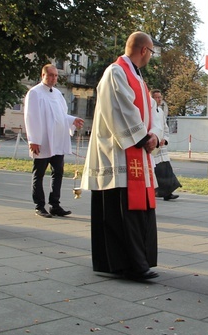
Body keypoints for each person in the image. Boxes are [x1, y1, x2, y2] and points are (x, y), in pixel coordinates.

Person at [81, 32, 161, 281]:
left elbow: (153, 112)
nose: (151, 57)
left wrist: (155, 136)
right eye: (152, 52)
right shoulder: (116, 72)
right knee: (121, 210)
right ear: (145, 50)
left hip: (137, 150)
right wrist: (141, 138)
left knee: (137, 211)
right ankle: (127, 264)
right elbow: (121, 108)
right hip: (118, 154)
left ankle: (136, 261)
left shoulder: (138, 78)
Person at [24, 64, 84, 218]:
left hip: (57, 141)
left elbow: (61, 115)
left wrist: (73, 120)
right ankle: (39, 205)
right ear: (43, 75)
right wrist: (34, 140)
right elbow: (31, 117)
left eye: (56, 76)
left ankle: (54, 204)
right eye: (50, 75)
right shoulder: (35, 93)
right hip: (42, 141)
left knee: (58, 172)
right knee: (39, 173)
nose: (53, 78)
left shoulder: (57, 93)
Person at [150, 89, 181, 201]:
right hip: (154, 146)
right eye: (156, 97)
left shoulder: (161, 112)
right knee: (158, 171)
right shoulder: (149, 111)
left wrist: (165, 139)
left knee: (167, 169)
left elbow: (165, 128)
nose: (159, 100)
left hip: (162, 146)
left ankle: (168, 192)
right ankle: (157, 192)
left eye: (160, 97)